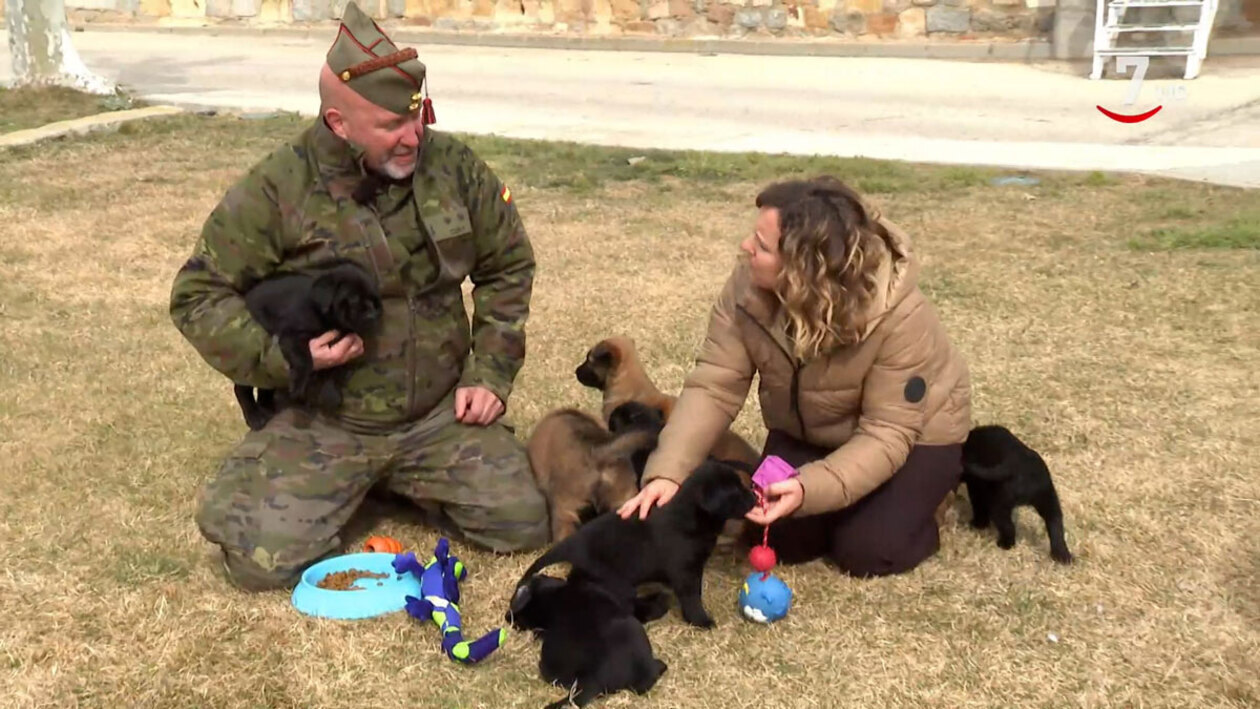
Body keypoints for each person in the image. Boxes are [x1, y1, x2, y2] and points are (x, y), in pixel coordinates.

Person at [169, 1, 548, 591]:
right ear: (338, 122)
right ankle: (277, 468)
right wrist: (285, 358)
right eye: (391, 126)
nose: (412, 136)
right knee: (260, 563)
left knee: (523, 523)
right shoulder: (278, 188)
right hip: (331, 422)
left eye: (416, 118)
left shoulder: (451, 166)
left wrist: (490, 374)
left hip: (436, 415)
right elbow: (197, 294)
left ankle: (397, 479)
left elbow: (508, 263)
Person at [618, 176, 972, 577]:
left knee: (869, 551)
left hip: (914, 435)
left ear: (803, 270)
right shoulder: (747, 285)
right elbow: (714, 385)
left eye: (762, 246)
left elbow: (887, 433)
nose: (745, 248)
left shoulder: (901, 316)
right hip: (811, 429)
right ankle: (851, 501)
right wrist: (669, 472)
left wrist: (808, 488)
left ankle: (933, 492)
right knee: (775, 536)